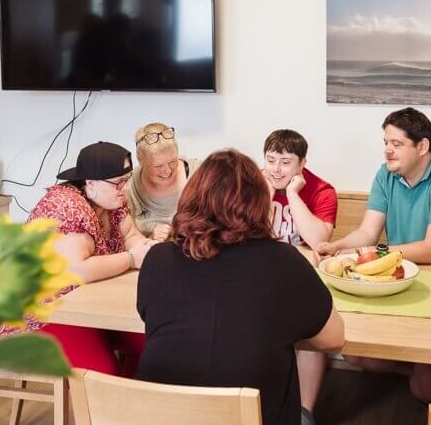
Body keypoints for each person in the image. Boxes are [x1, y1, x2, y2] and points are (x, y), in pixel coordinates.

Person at [136, 149, 345, 425]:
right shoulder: (284, 261)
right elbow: (334, 339)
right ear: (260, 203)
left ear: (191, 198)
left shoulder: (158, 258)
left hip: (160, 416)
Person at [316, 106, 431, 403]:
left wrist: (372, 253)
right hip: (399, 277)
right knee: (353, 353)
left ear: (422, 146)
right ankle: (421, 370)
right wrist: (339, 246)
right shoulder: (385, 174)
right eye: (386, 143)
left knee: (427, 391)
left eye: (396, 144)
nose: (387, 150)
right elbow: (368, 232)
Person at [0, 141, 158, 377]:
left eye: (127, 179)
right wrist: (131, 259)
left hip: (87, 308)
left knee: (152, 344)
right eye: (119, 182)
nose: (125, 188)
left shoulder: (111, 200)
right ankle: (109, 400)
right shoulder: (67, 205)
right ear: (91, 183)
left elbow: (130, 235)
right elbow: (78, 270)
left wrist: (146, 248)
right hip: (42, 316)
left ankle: (131, 400)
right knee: (102, 372)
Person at [262, 129, 338, 419]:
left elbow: (319, 241)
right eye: (270, 160)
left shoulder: (322, 190)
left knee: (313, 331)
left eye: (285, 162)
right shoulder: (253, 185)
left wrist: (292, 194)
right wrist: (266, 195)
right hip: (260, 276)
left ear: (302, 163)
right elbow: (243, 233)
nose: (276, 169)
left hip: (302, 278)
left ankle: (304, 414)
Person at [125, 122, 201, 242]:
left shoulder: (200, 175)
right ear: (140, 160)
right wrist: (150, 239)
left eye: (173, 162)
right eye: (158, 166)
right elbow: (127, 240)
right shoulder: (129, 188)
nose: (167, 171)